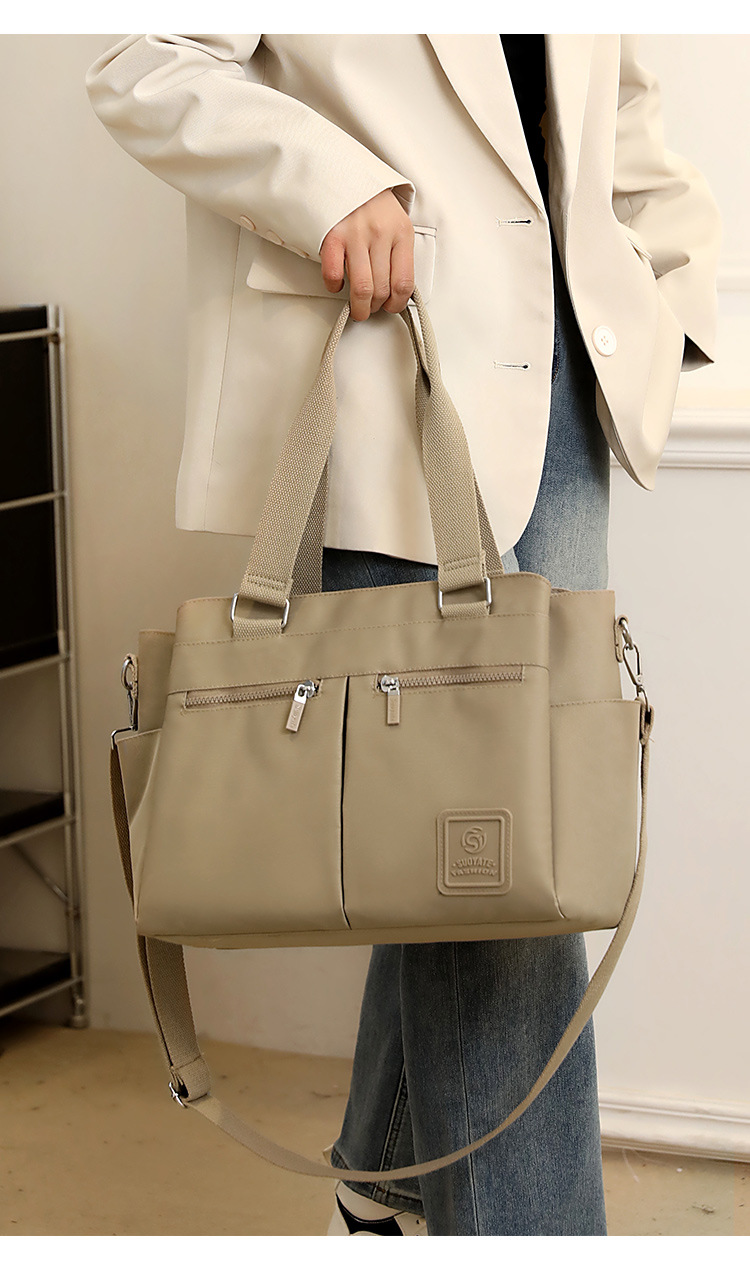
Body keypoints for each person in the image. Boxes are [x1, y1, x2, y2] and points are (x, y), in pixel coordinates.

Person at [85, 34, 722, 1236]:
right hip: (396, 372)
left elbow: (614, 97)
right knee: (493, 871)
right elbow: (137, 57)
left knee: (482, 837)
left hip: (568, 393)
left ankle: (381, 1184)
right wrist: (331, 183)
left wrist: (668, 296)